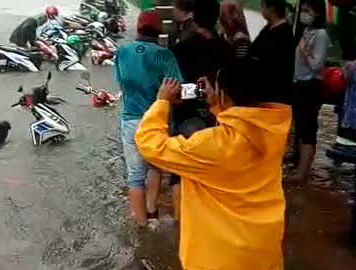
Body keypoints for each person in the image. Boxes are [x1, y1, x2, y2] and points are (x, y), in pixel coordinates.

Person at [135, 58, 291, 270]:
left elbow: (150, 145)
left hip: (220, 256)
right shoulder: (273, 131)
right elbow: (243, 126)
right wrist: (218, 105)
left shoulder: (209, 145)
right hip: (263, 247)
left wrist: (161, 102)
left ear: (224, 94)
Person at [114, 10, 182, 226]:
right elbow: (176, 91)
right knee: (154, 166)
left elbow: (121, 85)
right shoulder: (164, 55)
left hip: (131, 120)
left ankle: (140, 225)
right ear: (159, 30)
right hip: (157, 120)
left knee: (134, 176)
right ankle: (152, 210)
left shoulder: (122, 52)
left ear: (138, 28)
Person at [168, 0, 230, 221]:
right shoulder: (226, 49)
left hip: (187, 115)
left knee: (180, 171)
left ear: (193, 17)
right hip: (219, 117)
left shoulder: (180, 49)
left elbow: (173, 85)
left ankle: (179, 221)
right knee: (212, 172)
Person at [289, 0, 330, 182]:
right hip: (299, 83)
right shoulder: (307, 31)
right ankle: (299, 167)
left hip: (311, 85)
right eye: (303, 10)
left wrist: (305, 51)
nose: (304, 14)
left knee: (307, 129)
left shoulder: (321, 35)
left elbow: (317, 65)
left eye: (308, 10)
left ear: (317, 13)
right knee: (300, 126)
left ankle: (303, 172)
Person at [250, 0, 295, 104]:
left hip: (275, 90)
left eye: (263, 5)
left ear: (272, 8)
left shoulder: (283, 33)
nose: (262, 10)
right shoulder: (268, 28)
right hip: (263, 88)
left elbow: (274, 62)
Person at [9, 6, 83, 49]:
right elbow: (29, 32)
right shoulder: (32, 23)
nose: (44, 22)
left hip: (18, 38)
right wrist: (31, 43)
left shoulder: (35, 21)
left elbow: (34, 35)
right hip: (18, 41)